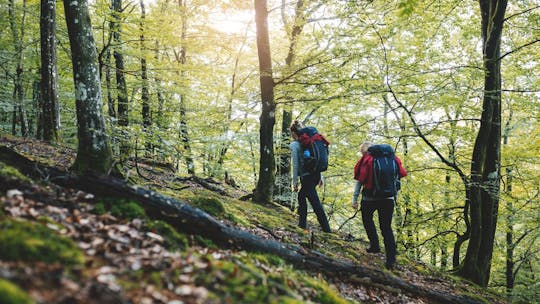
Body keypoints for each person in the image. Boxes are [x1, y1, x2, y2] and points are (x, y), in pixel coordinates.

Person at [352, 142, 407, 269]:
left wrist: (355, 199)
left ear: (365, 152)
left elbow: (360, 181)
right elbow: (399, 177)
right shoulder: (392, 159)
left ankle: (375, 245)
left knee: (367, 219)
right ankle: (391, 260)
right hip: (388, 199)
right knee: (386, 228)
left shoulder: (367, 160)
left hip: (369, 198)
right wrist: (394, 195)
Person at [290, 120, 331, 233]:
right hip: (315, 174)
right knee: (301, 196)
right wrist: (320, 177)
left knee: (315, 202)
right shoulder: (310, 141)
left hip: (307, 177)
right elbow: (316, 157)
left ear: (293, 132)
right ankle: (302, 224)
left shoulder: (295, 144)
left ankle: (327, 229)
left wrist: (294, 182)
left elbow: (295, 164)